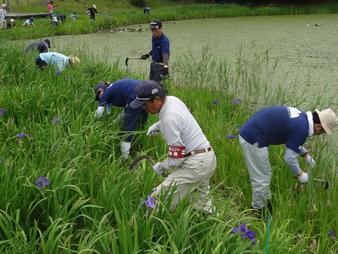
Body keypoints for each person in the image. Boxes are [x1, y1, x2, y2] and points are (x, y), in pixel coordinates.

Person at [130, 80, 217, 214]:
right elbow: (180, 119)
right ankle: (212, 225)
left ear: (157, 99)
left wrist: (161, 167)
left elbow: (177, 159)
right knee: (201, 202)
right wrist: (158, 126)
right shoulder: (172, 100)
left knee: (158, 199)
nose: (144, 108)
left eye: (145, 104)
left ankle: (145, 228)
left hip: (195, 164)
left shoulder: (169, 119)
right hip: (207, 157)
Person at [239, 105, 338, 214]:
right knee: (262, 176)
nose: (319, 135)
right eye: (322, 132)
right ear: (319, 127)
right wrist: (300, 174)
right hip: (253, 138)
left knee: (265, 174)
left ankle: (266, 202)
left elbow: (293, 138)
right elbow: (289, 158)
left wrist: (305, 155)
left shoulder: (302, 118)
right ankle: (258, 210)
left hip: (252, 131)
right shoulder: (302, 128)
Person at [94, 79, 148, 159]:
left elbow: (98, 114)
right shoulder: (115, 87)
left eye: (98, 97)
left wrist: (94, 124)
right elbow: (127, 109)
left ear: (101, 90)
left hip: (135, 94)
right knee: (141, 123)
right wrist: (115, 122)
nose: (100, 99)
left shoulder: (106, 92)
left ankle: (124, 158)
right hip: (146, 90)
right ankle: (141, 145)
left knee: (128, 128)